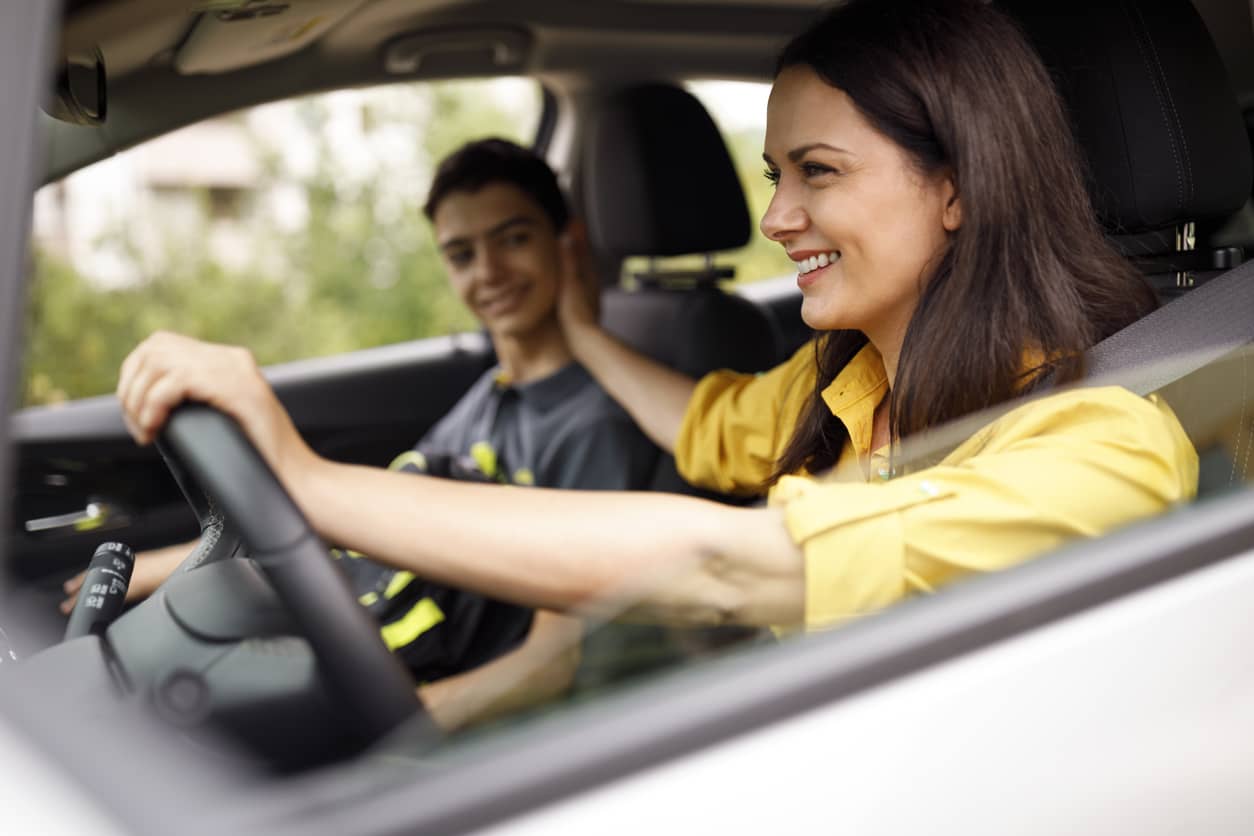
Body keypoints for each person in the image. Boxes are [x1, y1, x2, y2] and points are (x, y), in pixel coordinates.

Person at [112, 0, 1197, 643]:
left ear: (956, 187)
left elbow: (734, 563)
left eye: (818, 172)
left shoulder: (1107, 443)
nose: (774, 216)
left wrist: (306, 481)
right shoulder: (846, 381)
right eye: (776, 174)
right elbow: (704, 426)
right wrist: (581, 330)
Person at [66, 138, 660, 730]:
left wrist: (395, 728)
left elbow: (552, 666)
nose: (489, 273)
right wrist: (163, 567)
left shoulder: (592, 426)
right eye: (460, 254)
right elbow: (377, 528)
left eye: (514, 239)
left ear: (569, 242)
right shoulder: (485, 401)